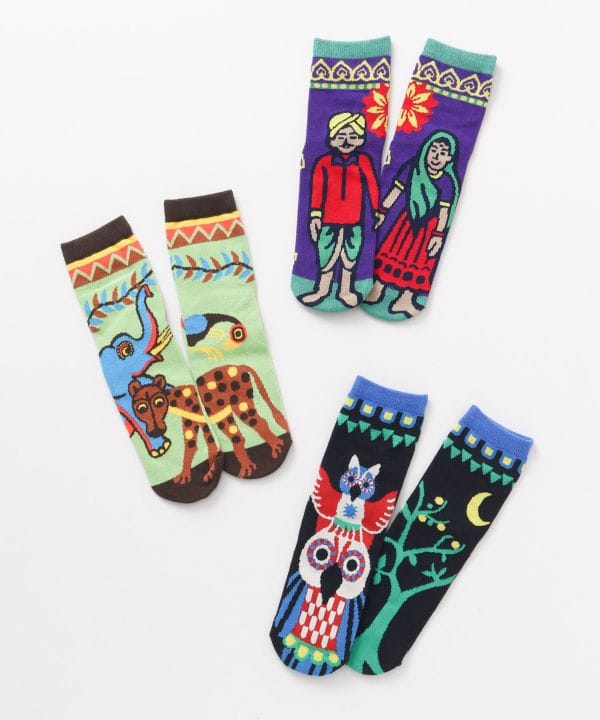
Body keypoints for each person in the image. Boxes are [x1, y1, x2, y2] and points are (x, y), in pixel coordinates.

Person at [366, 130, 460, 316]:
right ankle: (378, 287)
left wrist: (438, 235)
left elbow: (444, 211)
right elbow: (395, 191)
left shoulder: (447, 181)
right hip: (405, 222)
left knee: (418, 259)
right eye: (433, 150)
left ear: (449, 158)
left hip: (428, 229)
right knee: (391, 250)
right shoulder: (413, 167)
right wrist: (382, 211)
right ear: (426, 149)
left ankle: (407, 297)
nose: (436, 156)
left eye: (442, 153)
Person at [301, 112, 379, 308]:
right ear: (332, 139)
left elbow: (372, 185)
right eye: (341, 136)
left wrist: (376, 210)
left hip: (355, 220)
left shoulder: (364, 161)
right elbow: (317, 190)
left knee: (350, 255)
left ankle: (345, 290)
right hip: (328, 220)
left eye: (352, 136)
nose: (346, 141)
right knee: (326, 254)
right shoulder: (323, 162)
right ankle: (322, 290)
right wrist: (315, 215)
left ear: (360, 139)